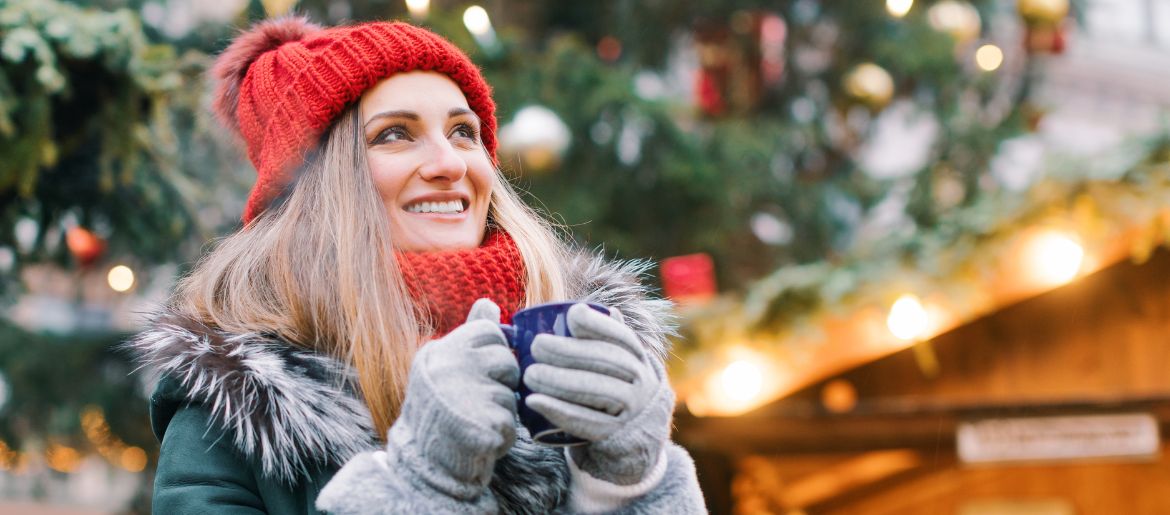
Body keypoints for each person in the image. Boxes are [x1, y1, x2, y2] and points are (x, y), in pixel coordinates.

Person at [128, 15, 706, 514]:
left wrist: (630, 486)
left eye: (464, 132)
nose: (449, 163)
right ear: (319, 188)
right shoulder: (234, 411)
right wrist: (423, 483)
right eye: (395, 134)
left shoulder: (576, 346)